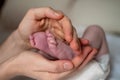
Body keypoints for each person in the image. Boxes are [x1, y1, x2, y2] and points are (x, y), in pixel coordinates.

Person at [0, 7, 97, 80]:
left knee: (88, 38)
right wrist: (13, 66)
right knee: (95, 30)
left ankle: (53, 53)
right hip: (93, 69)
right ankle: (68, 52)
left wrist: (19, 40)